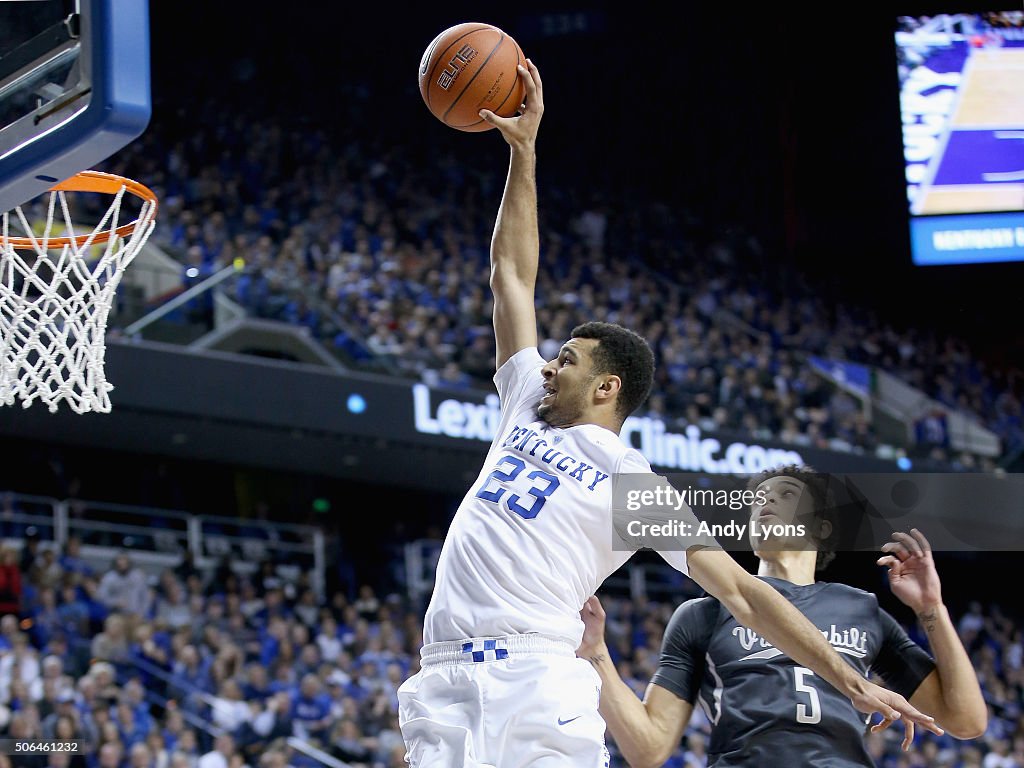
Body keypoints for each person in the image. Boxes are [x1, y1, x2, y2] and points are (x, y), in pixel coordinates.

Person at [396, 61, 941, 768]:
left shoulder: (634, 489)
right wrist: (522, 154)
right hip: (442, 673)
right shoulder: (523, 403)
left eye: (567, 358)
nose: (550, 364)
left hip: (536, 675)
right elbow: (510, 276)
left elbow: (743, 593)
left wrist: (845, 678)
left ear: (607, 387)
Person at [577, 465, 987, 767]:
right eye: (758, 499)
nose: (765, 502)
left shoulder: (862, 609)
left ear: (823, 528)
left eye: (785, 494)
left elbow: (966, 720)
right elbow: (648, 748)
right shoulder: (702, 613)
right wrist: (596, 652)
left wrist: (931, 608)